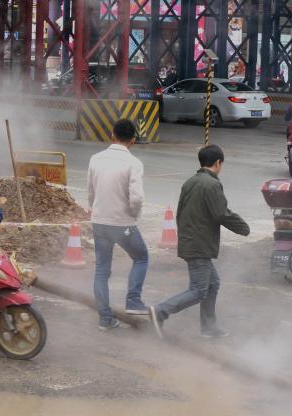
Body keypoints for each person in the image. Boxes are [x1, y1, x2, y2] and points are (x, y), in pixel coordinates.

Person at [148, 144, 249, 339]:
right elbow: (221, 213)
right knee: (198, 290)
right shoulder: (211, 184)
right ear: (218, 163)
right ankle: (160, 311)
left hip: (191, 240)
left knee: (213, 284)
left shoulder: (190, 182)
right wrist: (243, 228)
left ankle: (209, 328)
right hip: (199, 244)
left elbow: (180, 212)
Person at [87, 118, 147, 330]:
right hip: (122, 223)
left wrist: (93, 209)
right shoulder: (133, 163)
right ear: (132, 140)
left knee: (102, 270)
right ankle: (133, 300)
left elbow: (90, 191)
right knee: (141, 257)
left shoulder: (95, 159)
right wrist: (133, 215)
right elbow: (137, 198)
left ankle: (105, 319)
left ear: (112, 134)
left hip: (99, 220)